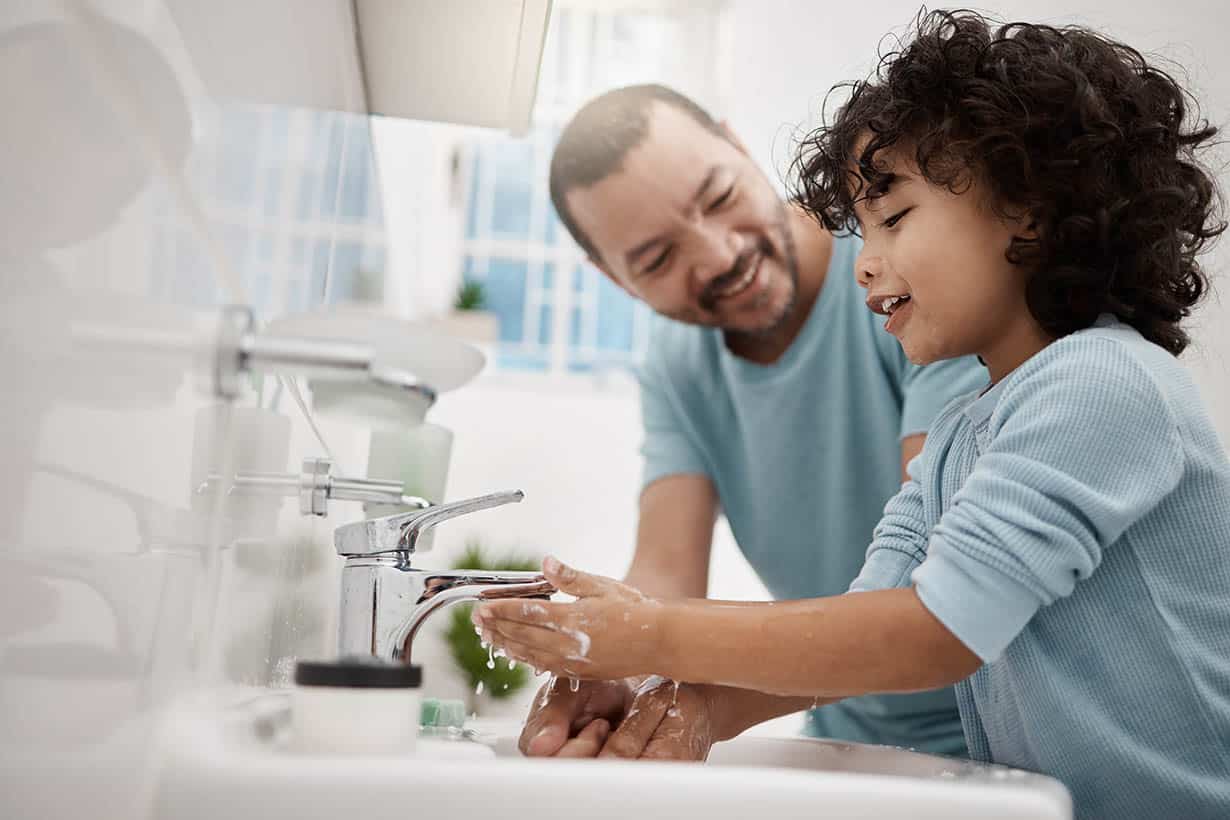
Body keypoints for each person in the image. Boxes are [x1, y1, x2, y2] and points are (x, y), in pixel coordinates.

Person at [476, 11, 1230, 819]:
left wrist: (651, 636)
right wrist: (691, 705)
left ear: (1030, 208)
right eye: (861, 226)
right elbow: (873, 616)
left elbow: (935, 629)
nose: (862, 261)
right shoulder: (961, 434)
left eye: (893, 219)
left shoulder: (1102, 384)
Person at [515, 83, 986, 761]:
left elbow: (931, 572)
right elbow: (665, 569)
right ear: (616, 281)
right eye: (655, 259)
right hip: (848, 744)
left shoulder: (901, 280)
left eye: (718, 197)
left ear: (740, 147)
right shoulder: (679, 364)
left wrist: (674, 663)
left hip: (1000, 732)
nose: (717, 255)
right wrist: (613, 669)